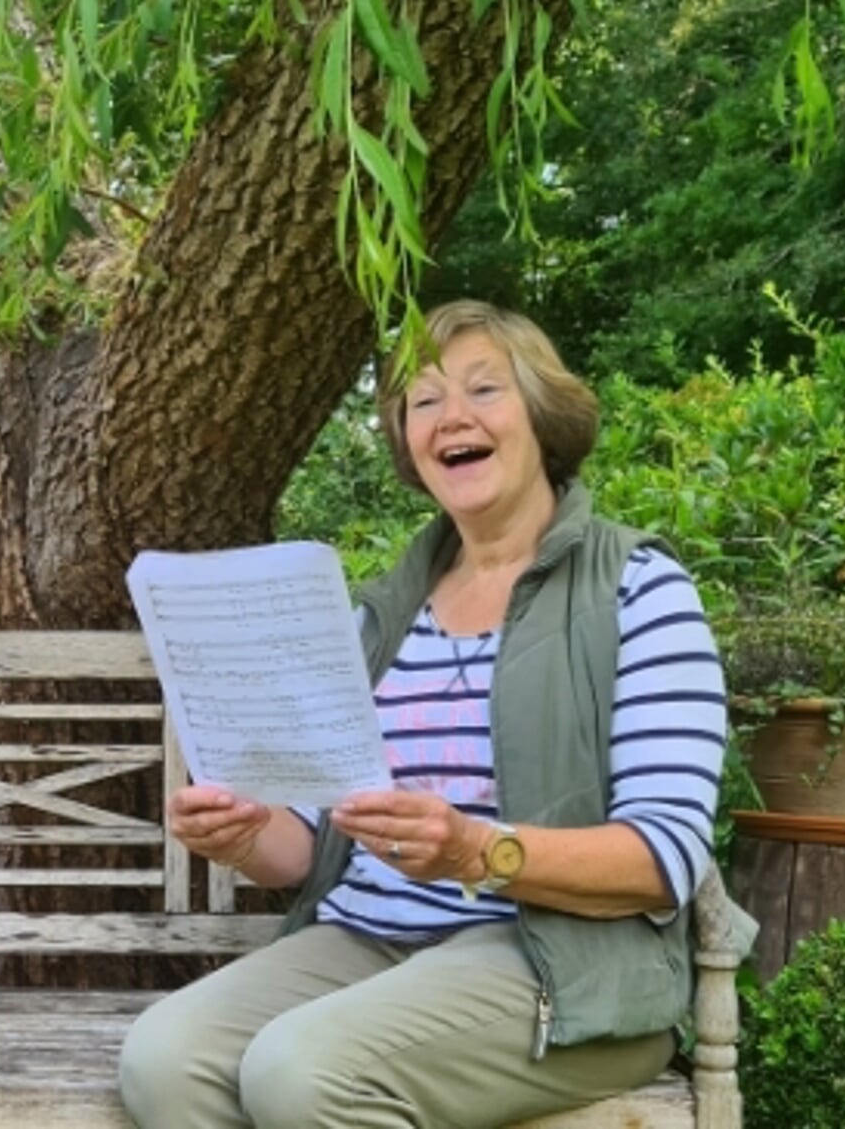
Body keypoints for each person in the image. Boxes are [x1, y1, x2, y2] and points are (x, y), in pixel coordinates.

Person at [118, 300, 727, 1127]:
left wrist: (477, 850)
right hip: (370, 940)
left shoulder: (637, 589)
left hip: (560, 958)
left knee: (302, 1074)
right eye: (424, 400)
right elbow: (308, 849)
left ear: (541, 416)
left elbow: (662, 857)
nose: (453, 417)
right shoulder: (380, 615)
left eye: (484, 388)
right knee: (165, 1061)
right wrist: (247, 830)